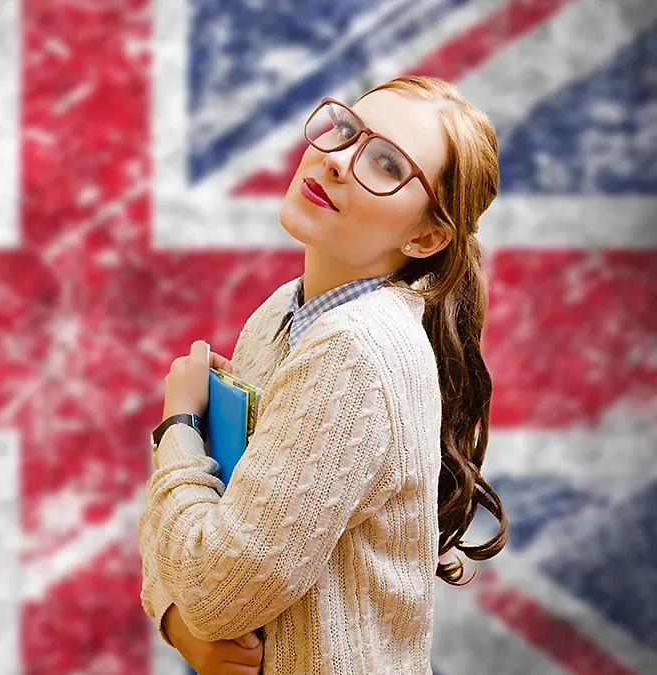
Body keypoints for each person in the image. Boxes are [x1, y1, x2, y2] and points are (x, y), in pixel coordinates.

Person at [137, 75, 511, 674]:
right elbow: (193, 535)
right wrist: (176, 620)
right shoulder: (284, 312)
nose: (336, 160)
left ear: (426, 236)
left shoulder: (355, 350)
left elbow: (214, 588)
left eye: (386, 164)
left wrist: (177, 430)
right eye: (346, 131)